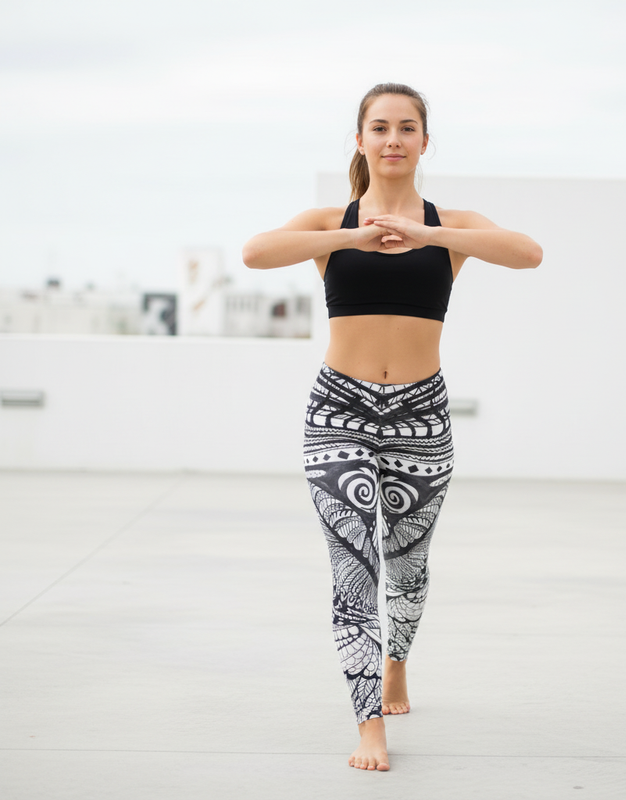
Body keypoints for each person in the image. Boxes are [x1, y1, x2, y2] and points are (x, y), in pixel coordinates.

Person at [242, 82, 542, 772]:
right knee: (354, 568)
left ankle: (397, 661)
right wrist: (353, 236)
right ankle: (369, 723)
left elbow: (528, 253)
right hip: (337, 411)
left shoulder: (451, 225)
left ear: (424, 142)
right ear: (360, 140)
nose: (393, 139)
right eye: (379, 128)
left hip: (421, 415)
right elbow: (257, 253)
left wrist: (426, 234)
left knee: (408, 565)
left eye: (407, 128)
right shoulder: (330, 222)